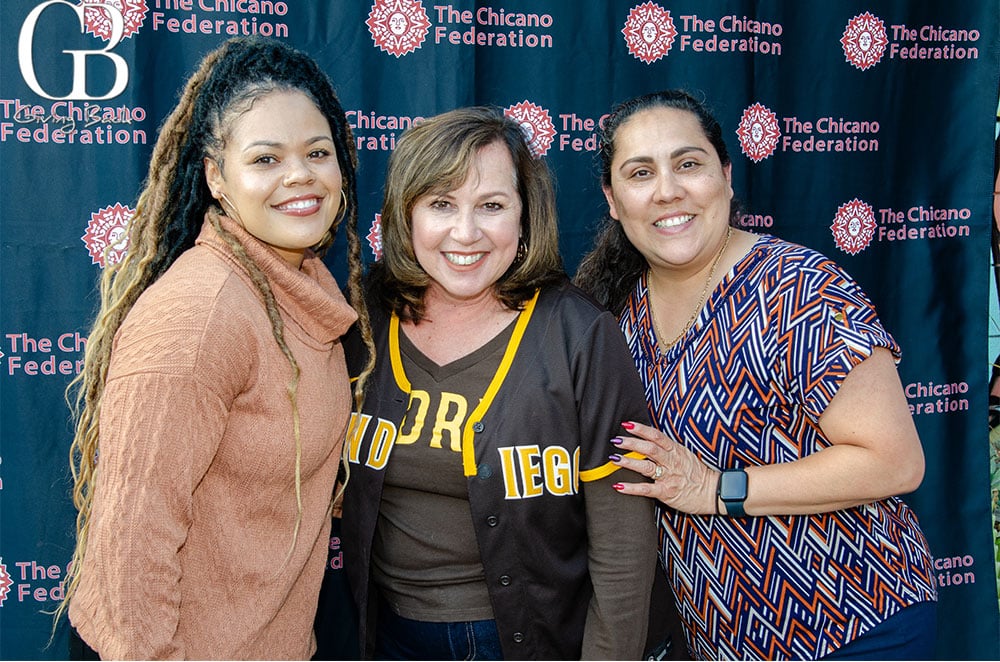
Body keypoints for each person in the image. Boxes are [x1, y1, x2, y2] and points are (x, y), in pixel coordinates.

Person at [574, 90, 938, 661]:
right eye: (640, 173)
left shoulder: (800, 288)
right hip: (723, 640)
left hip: (853, 626)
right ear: (613, 200)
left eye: (688, 163)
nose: (667, 189)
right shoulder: (617, 309)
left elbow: (895, 460)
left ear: (726, 174)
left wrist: (717, 489)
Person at [57, 36, 375, 659]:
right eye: (265, 159)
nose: (300, 176)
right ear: (215, 177)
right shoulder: (199, 317)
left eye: (318, 152)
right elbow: (130, 553)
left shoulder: (304, 290)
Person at [337, 106, 656, 660]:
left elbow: (623, 538)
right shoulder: (362, 317)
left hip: (515, 640)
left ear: (524, 217)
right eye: (441, 204)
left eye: (492, 205)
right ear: (403, 215)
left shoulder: (578, 334)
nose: (466, 232)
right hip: (382, 632)